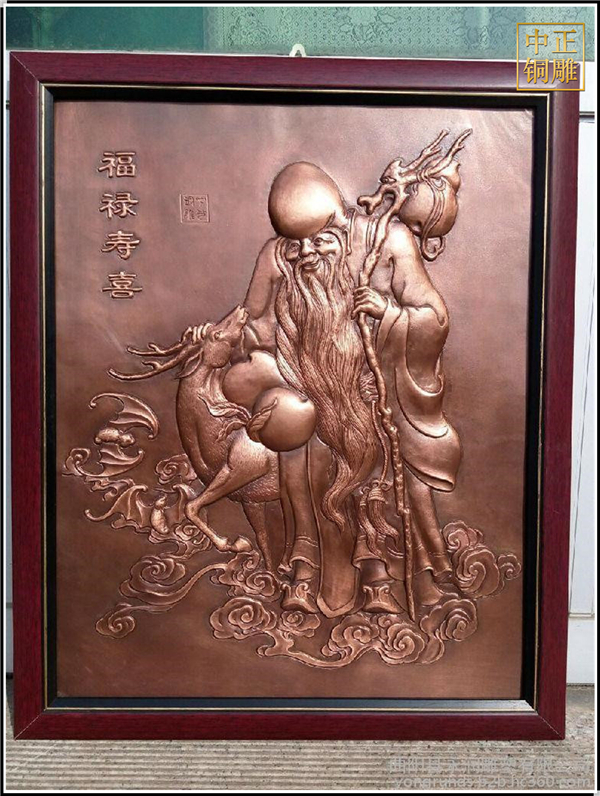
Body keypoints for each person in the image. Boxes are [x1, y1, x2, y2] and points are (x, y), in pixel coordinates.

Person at [222, 161, 461, 617]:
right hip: (307, 393)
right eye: (295, 245)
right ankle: (305, 571)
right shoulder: (277, 256)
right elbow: (253, 324)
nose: (306, 253)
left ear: (341, 222)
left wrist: (388, 314)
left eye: (320, 240)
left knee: (370, 477)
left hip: (368, 396)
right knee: (303, 468)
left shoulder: (387, 241)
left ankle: (380, 575)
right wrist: (229, 341)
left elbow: (435, 317)